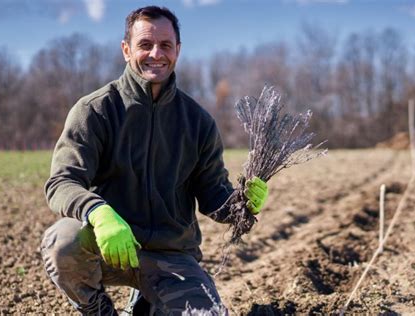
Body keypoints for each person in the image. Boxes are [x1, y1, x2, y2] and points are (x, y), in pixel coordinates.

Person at [40, 5, 268, 315]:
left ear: (178, 50)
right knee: (62, 241)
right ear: (126, 50)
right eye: (145, 44)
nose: (155, 53)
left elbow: (213, 196)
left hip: (172, 257)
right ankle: (100, 312)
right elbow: (62, 181)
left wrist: (241, 204)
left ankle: (147, 305)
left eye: (165, 45)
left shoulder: (198, 122)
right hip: (110, 247)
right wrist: (99, 212)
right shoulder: (95, 111)